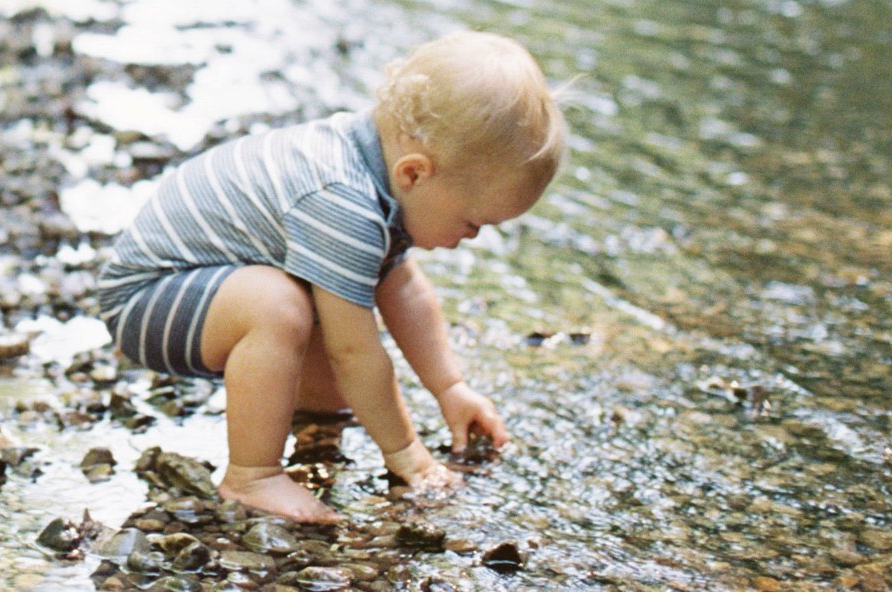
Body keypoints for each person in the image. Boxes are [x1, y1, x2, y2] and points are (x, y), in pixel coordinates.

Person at [95, 30, 567, 523]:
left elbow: (405, 291)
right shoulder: (343, 201)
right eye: (474, 221)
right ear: (415, 174)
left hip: (197, 291)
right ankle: (252, 475)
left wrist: (451, 387)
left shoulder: (372, 170)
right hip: (148, 300)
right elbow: (354, 352)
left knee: (335, 293)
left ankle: (315, 418)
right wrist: (407, 453)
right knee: (280, 304)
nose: (473, 237)